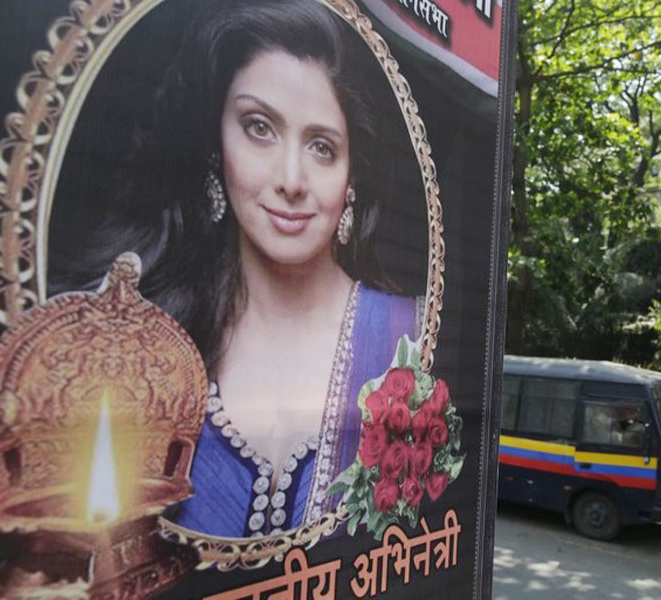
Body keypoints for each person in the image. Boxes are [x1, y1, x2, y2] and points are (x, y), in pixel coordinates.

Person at [51, 0, 424, 538]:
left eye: (322, 147)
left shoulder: (406, 336)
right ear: (215, 144)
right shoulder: (139, 334)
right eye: (259, 128)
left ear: (352, 175)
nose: (291, 179)